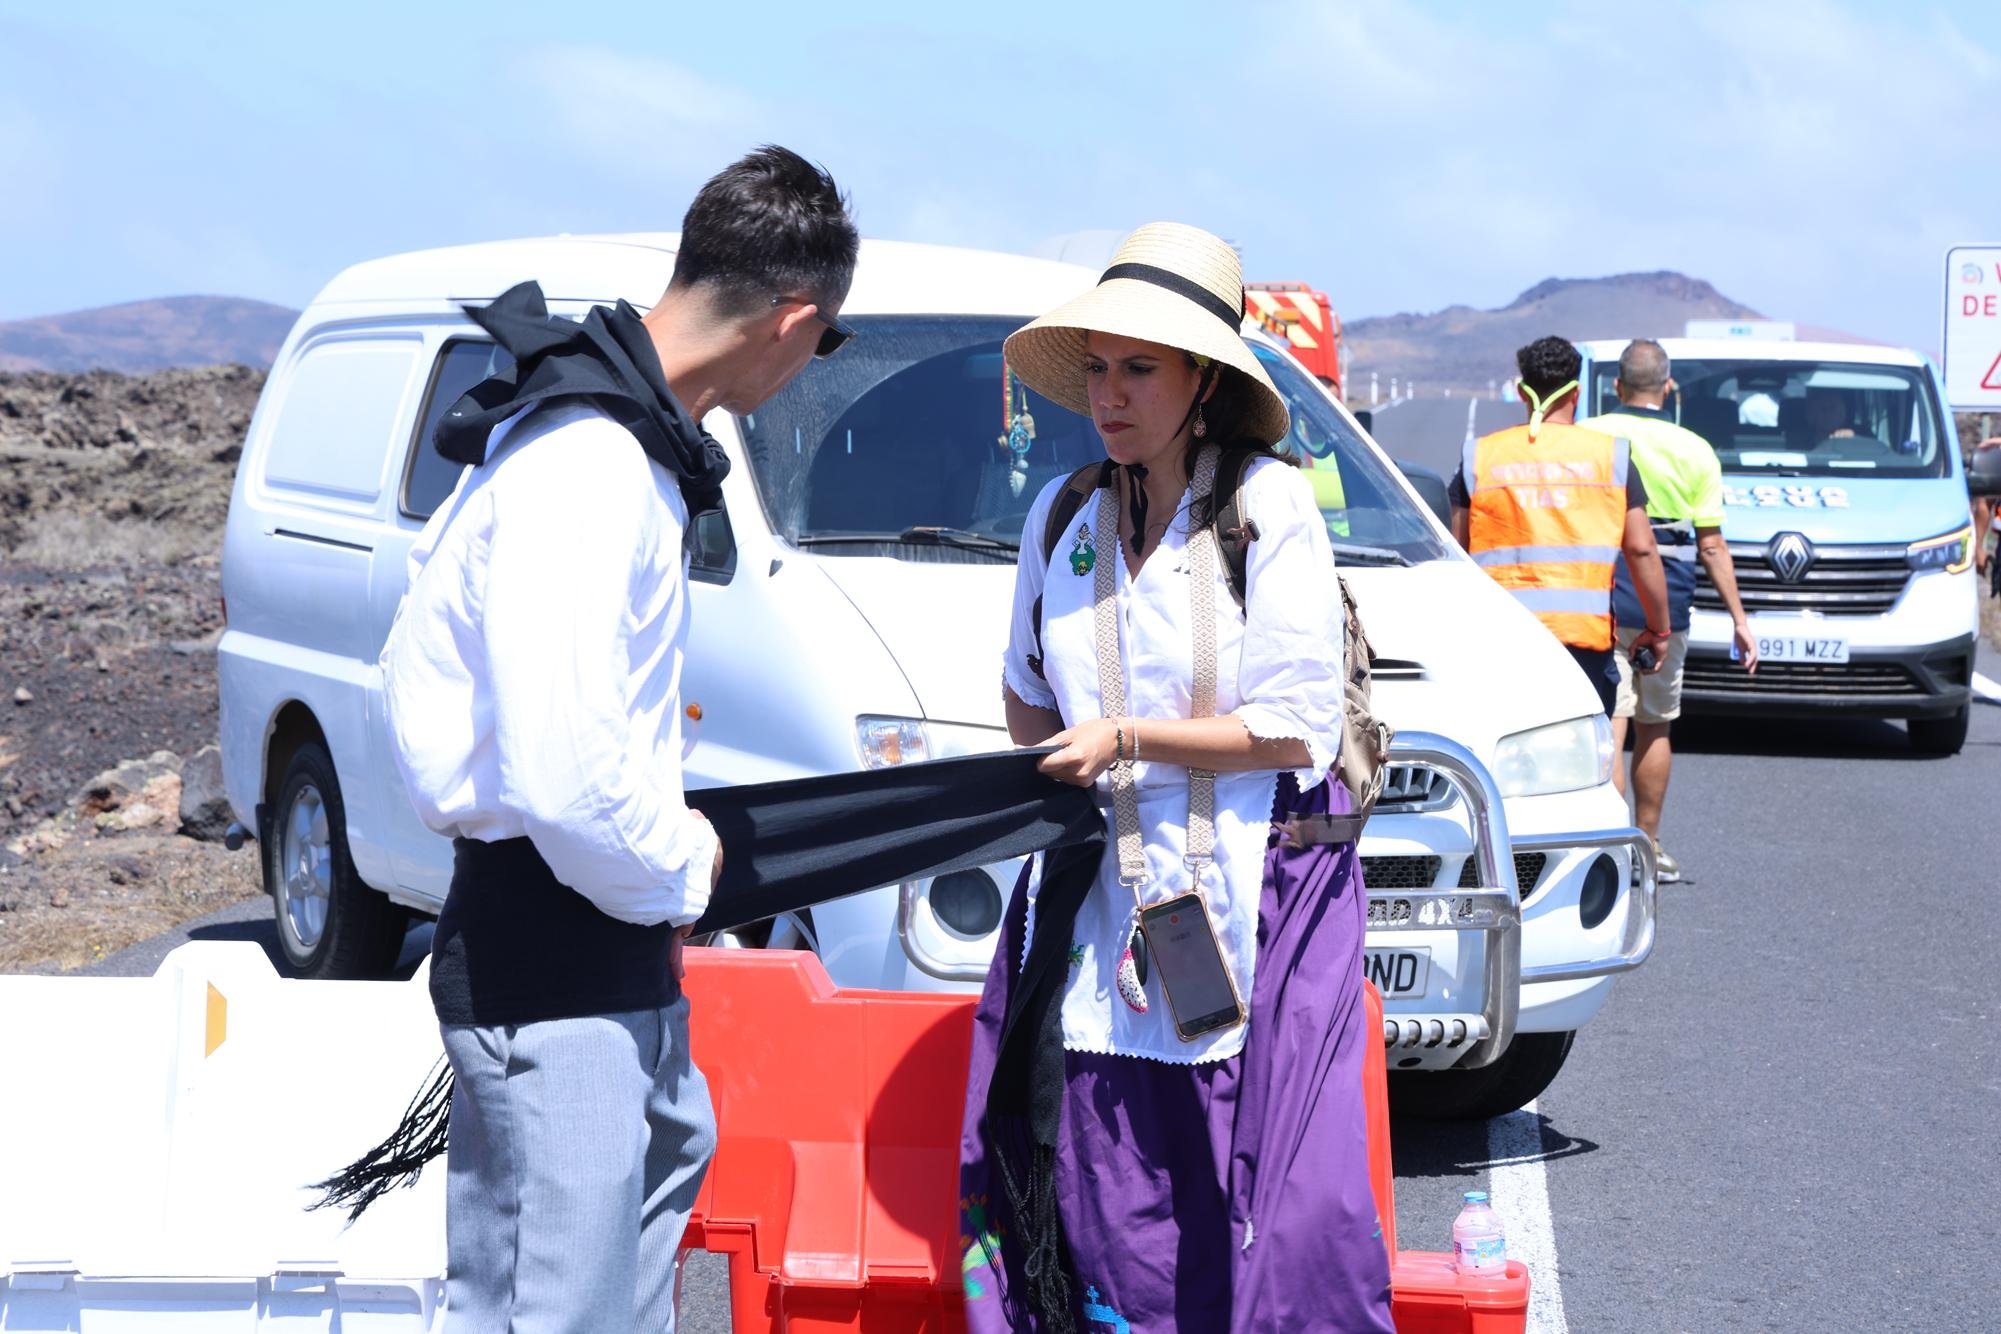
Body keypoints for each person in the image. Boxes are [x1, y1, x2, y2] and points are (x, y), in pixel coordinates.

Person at [377, 145, 857, 1333]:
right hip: (551, 954)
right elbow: (569, 776)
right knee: (562, 1310)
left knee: (610, 1286)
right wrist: (686, 866)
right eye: (827, 341)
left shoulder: (599, 441)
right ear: (794, 322)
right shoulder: (589, 463)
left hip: (586, 944)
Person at [960, 222, 1393, 1331]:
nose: (1108, 394)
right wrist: (1068, 754)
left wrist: (1124, 738)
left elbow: (1294, 728)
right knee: (1101, 1185)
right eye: (1097, 367)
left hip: (1259, 888)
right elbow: (1024, 690)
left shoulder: (1267, 505)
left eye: (1139, 368)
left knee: (1271, 1205)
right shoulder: (1061, 513)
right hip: (1100, 895)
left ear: (1202, 380)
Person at [1580, 339, 1756, 882]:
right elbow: (1712, 546)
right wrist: (1740, 620)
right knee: (1655, 725)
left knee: (1611, 723)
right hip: (1667, 602)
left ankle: (1608, 846)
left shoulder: (1588, 436)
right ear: (1668, 387)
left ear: (1617, 386)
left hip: (1597, 594)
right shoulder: (1696, 450)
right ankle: (1649, 846)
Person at [1450, 335, 1672, 716]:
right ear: (1577, 392)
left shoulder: (1481, 457)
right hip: (1582, 643)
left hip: (1502, 639)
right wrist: (1659, 629)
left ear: (1522, 392)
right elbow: (1641, 549)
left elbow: (1456, 552)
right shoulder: (1610, 457)